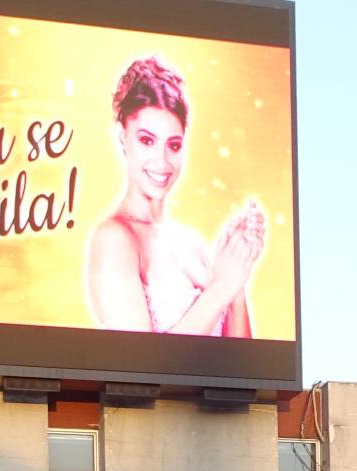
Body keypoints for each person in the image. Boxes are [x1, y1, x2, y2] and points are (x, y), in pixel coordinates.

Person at [86, 56, 266, 337]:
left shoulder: (191, 243)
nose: (162, 161)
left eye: (173, 145)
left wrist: (236, 276)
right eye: (146, 140)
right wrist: (221, 287)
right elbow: (140, 366)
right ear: (123, 138)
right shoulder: (114, 238)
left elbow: (241, 373)